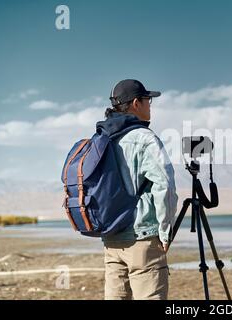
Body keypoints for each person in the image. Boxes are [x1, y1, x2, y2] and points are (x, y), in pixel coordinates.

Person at [97, 79, 178, 300]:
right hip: (142, 238)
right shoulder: (145, 138)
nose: (150, 105)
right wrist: (165, 231)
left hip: (111, 238)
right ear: (136, 103)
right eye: (148, 100)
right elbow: (165, 186)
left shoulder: (103, 139)